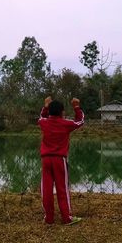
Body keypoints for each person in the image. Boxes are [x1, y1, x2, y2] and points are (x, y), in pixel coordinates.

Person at [37, 96, 85, 225]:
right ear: (62, 112)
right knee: (62, 188)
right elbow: (80, 121)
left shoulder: (44, 123)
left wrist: (45, 106)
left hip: (46, 159)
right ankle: (66, 217)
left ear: (49, 111)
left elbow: (41, 118)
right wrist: (76, 107)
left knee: (46, 189)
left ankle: (49, 218)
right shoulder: (66, 124)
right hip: (60, 160)